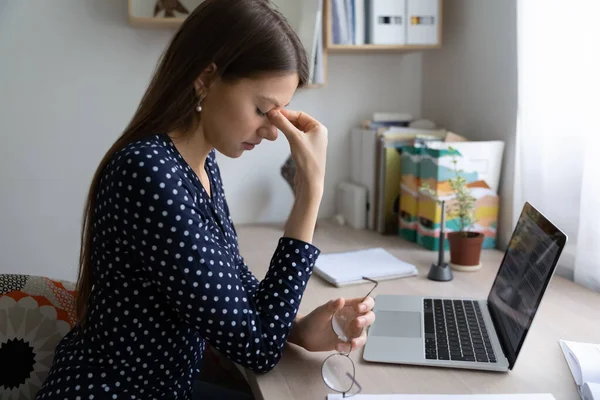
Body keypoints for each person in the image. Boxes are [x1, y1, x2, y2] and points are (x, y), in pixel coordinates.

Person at [36, 0, 375, 398]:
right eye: (264, 110)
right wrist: (310, 192)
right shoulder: (148, 174)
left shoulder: (200, 166)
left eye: (281, 115)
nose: (272, 132)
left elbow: (236, 295)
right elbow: (257, 348)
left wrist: (300, 328)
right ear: (206, 79)